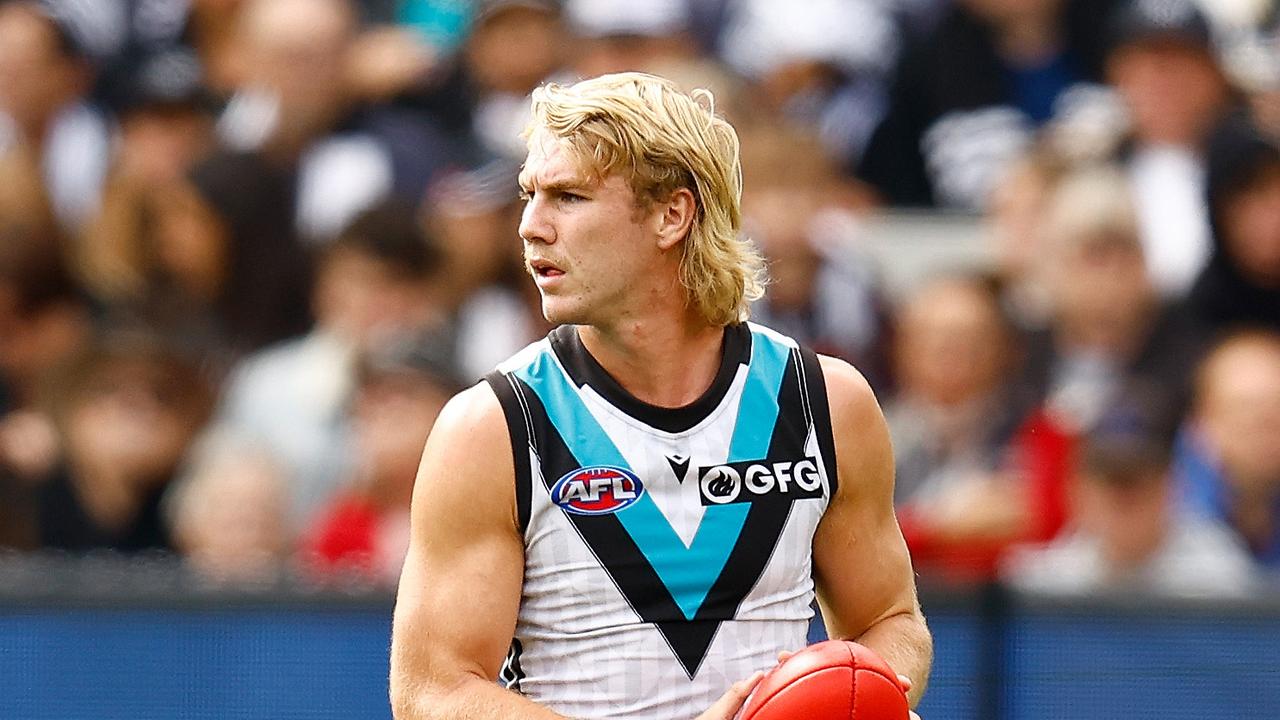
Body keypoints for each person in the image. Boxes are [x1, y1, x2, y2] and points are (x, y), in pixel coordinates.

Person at [389, 72, 931, 720]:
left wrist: (861, 700)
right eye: (529, 195)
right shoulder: (494, 428)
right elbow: (431, 693)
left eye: (568, 197)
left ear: (672, 215)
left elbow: (890, 621)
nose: (530, 226)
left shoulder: (825, 403)